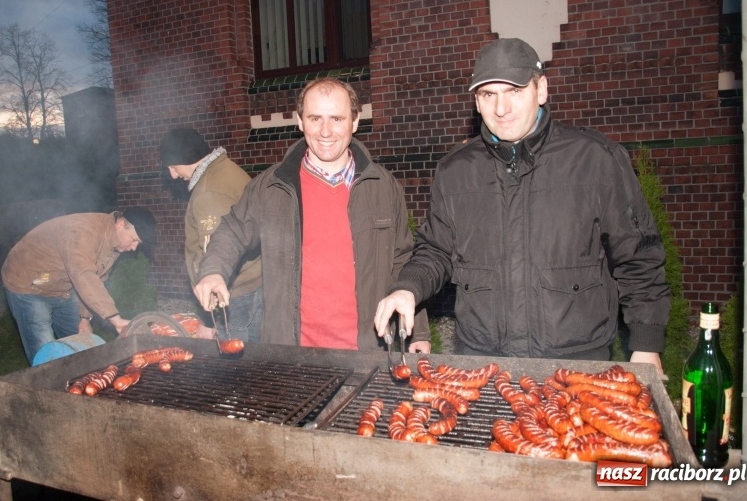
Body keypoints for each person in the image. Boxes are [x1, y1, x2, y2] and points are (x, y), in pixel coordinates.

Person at [374, 38, 670, 372]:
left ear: (541, 90)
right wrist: (407, 288)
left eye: (514, 90)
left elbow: (639, 257)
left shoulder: (596, 161)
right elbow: (435, 251)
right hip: (483, 363)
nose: (502, 108)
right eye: (489, 95)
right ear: (476, 101)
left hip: (578, 365)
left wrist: (646, 345)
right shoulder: (455, 171)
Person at [193, 78, 431, 352]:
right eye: (315, 118)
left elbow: (403, 260)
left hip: (368, 350)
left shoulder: (383, 186)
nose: (325, 131)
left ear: (354, 122)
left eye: (337, 119)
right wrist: (213, 271)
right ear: (300, 121)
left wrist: (418, 332)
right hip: (292, 352)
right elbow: (232, 231)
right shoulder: (271, 186)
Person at [2, 208, 157, 364]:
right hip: (28, 283)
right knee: (45, 352)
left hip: (62, 287)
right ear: (120, 224)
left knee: (81, 345)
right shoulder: (82, 231)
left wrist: (84, 318)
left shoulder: (113, 245)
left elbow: (97, 280)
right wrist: (115, 319)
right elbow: (84, 275)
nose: (134, 248)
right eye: (134, 239)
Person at [159, 128, 263, 342]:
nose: (173, 175)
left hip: (234, 296)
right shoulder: (226, 170)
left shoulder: (209, 193)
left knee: (236, 365)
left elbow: (215, 257)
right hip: (251, 284)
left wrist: (209, 321)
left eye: (172, 166)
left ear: (184, 157)